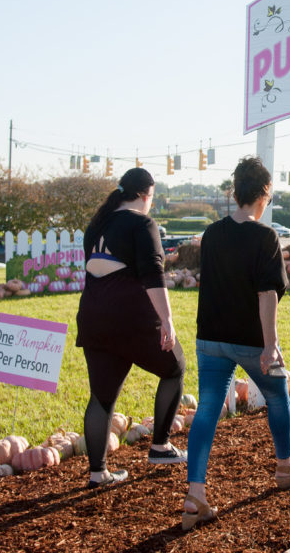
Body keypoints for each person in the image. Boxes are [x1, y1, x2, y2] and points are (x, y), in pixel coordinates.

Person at [181, 156, 290, 530]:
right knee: (276, 395)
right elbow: (267, 294)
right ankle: (286, 467)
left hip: (209, 338)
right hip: (250, 341)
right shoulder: (265, 237)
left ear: (234, 193)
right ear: (264, 194)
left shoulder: (212, 234)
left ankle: (196, 495)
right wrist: (270, 345)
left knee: (207, 410)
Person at [76, 167, 187, 488]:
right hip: (131, 318)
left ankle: (98, 473)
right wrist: (166, 320)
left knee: (101, 398)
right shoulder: (143, 223)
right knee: (174, 368)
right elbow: (153, 273)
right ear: (144, 195)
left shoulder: (97, 225)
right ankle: (161, 446)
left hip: (94, 318)